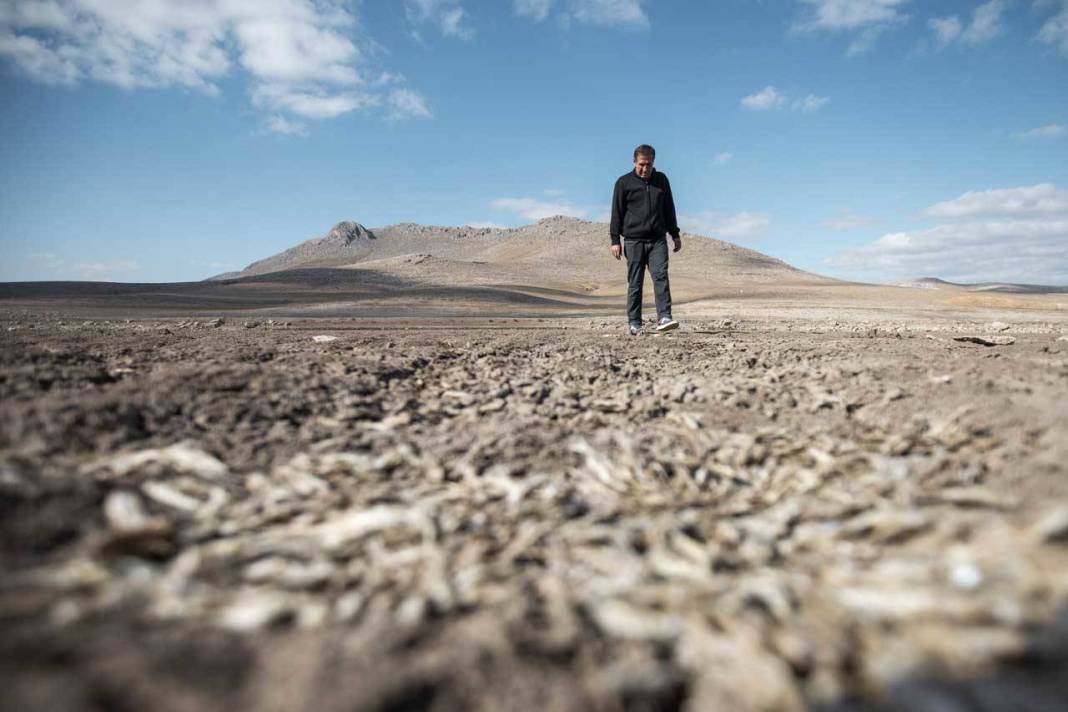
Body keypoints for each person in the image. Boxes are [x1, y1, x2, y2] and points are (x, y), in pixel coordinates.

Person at [610, 144, 681, 335]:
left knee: (661, 277)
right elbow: (616, 213)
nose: (645, 168)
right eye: (641, 164)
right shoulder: (623, 183)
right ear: (634, 162)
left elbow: (669, 209)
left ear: (653, 162)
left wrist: (674, 233)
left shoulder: (661, 180)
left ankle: (665, 317)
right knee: (635, 282)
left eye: (648, 164)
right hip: (633, 241)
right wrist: (615, 240)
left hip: (657, 239)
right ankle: (634, 322)